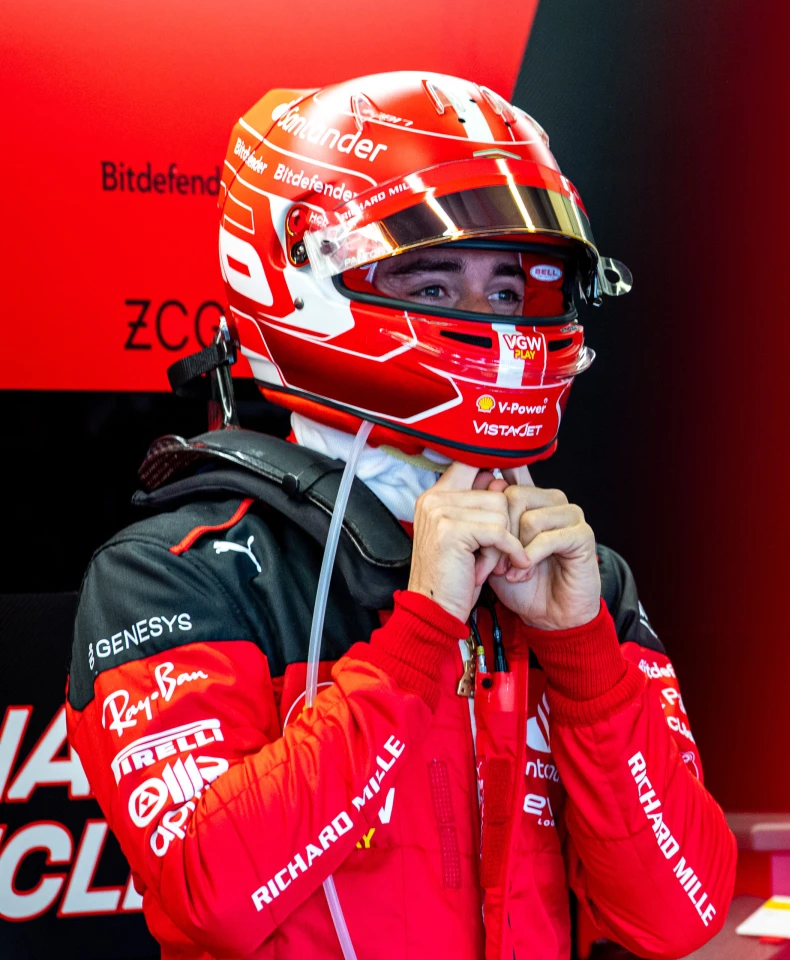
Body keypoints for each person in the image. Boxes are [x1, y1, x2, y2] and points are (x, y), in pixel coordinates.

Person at [64, 72, 734, 960]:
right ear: (299, 277)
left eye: (508, 293)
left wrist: (581, 656)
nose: (493, 326)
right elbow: (213, 899)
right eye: (435, 286)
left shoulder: (580, 582)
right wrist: (419, 635)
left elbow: (681, 913)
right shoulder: (173, 572)